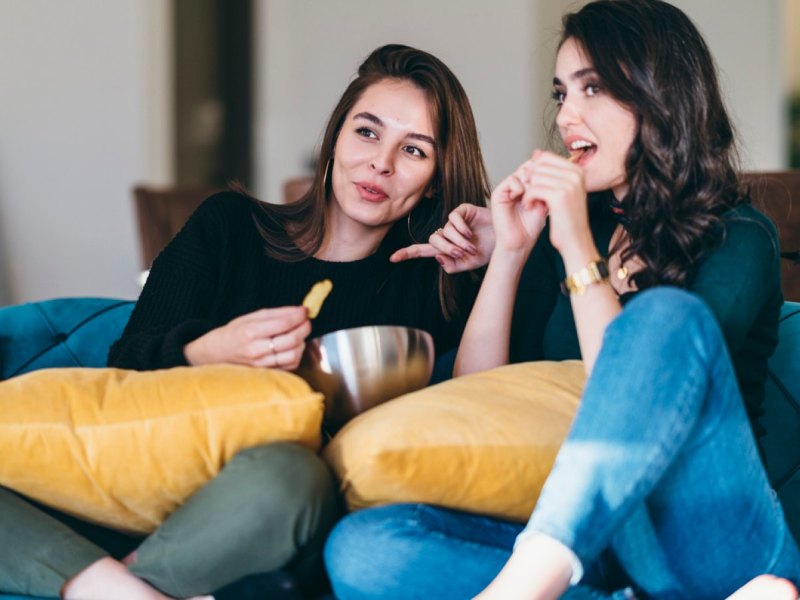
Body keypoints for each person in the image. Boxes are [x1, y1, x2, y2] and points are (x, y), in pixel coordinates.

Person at [323, 1, 800, 598]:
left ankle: (539, 570)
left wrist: (575, 245)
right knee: (363, 546)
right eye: (560, 94)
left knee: (663, 317)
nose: (567, 116)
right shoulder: (573, 228)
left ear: (659, 96)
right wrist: (513, 252)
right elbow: (482, 390)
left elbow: (631, 406)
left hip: (709, 537)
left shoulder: (740, 237)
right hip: (601, 554)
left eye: (592, 88)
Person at [0, 44, 490, 600]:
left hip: (254, 513)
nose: (381, 163)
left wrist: (510, 252)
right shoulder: (228, 226)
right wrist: (211, 351)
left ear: (434, 179)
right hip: (131, 478)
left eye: (415, 150)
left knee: (294, 478)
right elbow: (125, 368)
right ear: (335, 138)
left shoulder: (428, 282)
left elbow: (475, 410)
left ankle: (103, 582)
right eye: (368, 132)